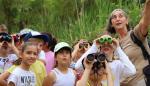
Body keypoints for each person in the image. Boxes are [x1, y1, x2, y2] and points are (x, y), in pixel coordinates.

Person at [106, 0, 150, 86]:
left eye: (121, 16)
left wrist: (148, 3)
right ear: (112, 24)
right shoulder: (112, 45)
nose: (117, 19)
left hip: (142, 81)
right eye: (114, 17)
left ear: (127, 21)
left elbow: (145, 21)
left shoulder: (135, 34)